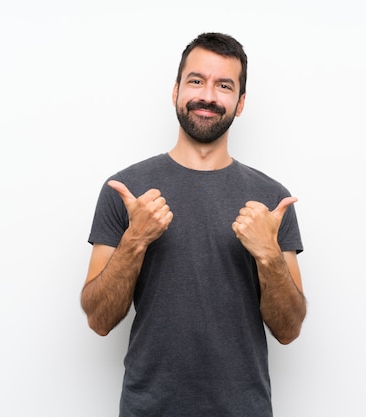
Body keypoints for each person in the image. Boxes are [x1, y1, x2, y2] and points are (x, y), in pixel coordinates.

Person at [81, 32, 307, 417]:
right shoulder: (126, 191)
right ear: (176, 91)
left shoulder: (272, 200)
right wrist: (135, 240)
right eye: (196, 81)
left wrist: (269, 256)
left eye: (224, 85)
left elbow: (289, 330)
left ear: (240, 103)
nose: (208, 96)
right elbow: (98, 320)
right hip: (148, 408)